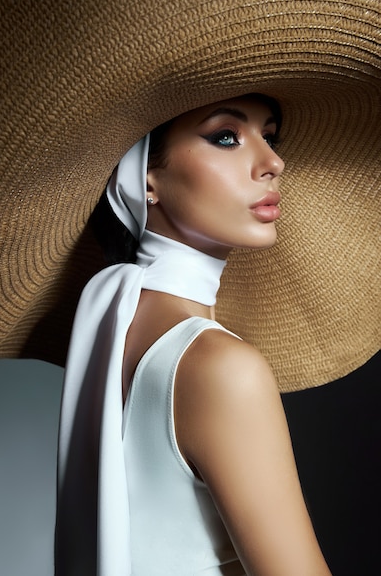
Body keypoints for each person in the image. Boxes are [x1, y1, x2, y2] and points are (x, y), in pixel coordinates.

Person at [55, 94, 332, 575]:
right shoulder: (221, 367)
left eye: (268, 136)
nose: (272, 162)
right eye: (226, 137)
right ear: (146, 178)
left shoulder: (119, 323)